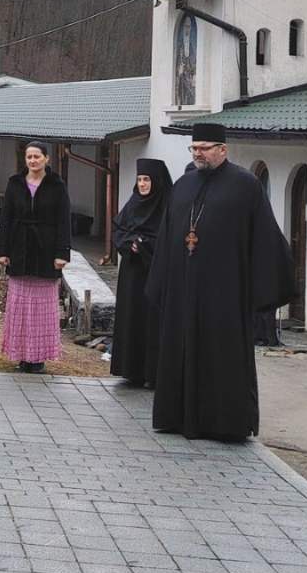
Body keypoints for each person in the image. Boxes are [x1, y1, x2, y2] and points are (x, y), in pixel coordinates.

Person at [147, 123, 294, 440]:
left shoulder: (246, 186)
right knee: (181, 348)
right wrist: (162, 283)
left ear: (223, 150)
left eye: (204, 148)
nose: (198, 153)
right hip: (183, 291)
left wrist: (260, 291)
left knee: (221, 356)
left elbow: (265, 238)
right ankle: (177, 417)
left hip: (225, 293)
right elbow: (166, 237)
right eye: (194, 148)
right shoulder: (183, 186)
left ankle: (223, 423)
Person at [0, 141, 71, 374]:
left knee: (42, 307)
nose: (33, 161)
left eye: (37, 156)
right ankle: (21, 354)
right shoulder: (14, 183)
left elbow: (64, 221)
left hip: (46, 250)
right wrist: (3, 250)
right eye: (29, 157)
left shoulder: (57, 185)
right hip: (19, 247)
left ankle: (38, 357)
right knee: (19, 305)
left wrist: (62, 253)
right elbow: (6, 217)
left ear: (46, 159)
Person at [110, 158, 172, 388]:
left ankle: (152, 372)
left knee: (151, 320)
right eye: (140, 179)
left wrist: (144, 244)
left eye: (147, 179)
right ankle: (131, 369)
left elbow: (168, 238)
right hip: (131, 273)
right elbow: (119, 229)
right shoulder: (133, 203)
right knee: (131, 317)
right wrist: (130, 243)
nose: (143, 184)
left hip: (154, 274)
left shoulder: (167, 206)